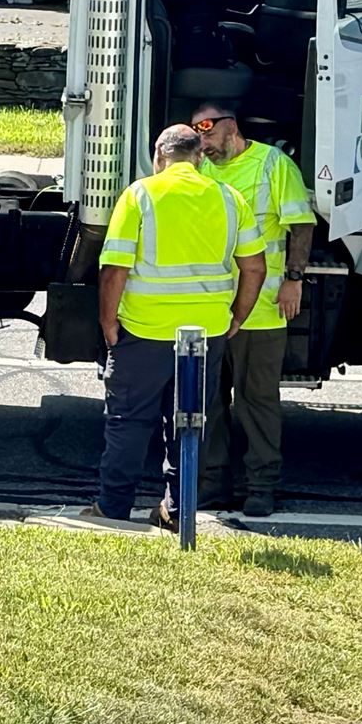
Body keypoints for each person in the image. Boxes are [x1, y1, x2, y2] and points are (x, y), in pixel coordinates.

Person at [93, 123, 268, 526]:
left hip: (145, 330)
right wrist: (237, 316)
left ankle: (113, 508)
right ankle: (177, 510)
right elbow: (254, 266)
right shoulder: (229, 198)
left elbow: (114, 269)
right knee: (190, 423)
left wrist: (107, 322)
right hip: (206, 332)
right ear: (199, 157)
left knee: (129, 421)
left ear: (159, 156)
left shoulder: (140, 195)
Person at [190, 103, 316, 520]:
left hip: (262, 308)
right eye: (196, 135)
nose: (203, 143)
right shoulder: (199, 170)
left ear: (232, 128)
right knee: (208, 402)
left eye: (208, 133)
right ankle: (213, 482)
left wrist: (294, 278)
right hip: (211, 307)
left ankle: (261, 486)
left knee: (256, 400)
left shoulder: (272, 165)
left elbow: (301, 223)